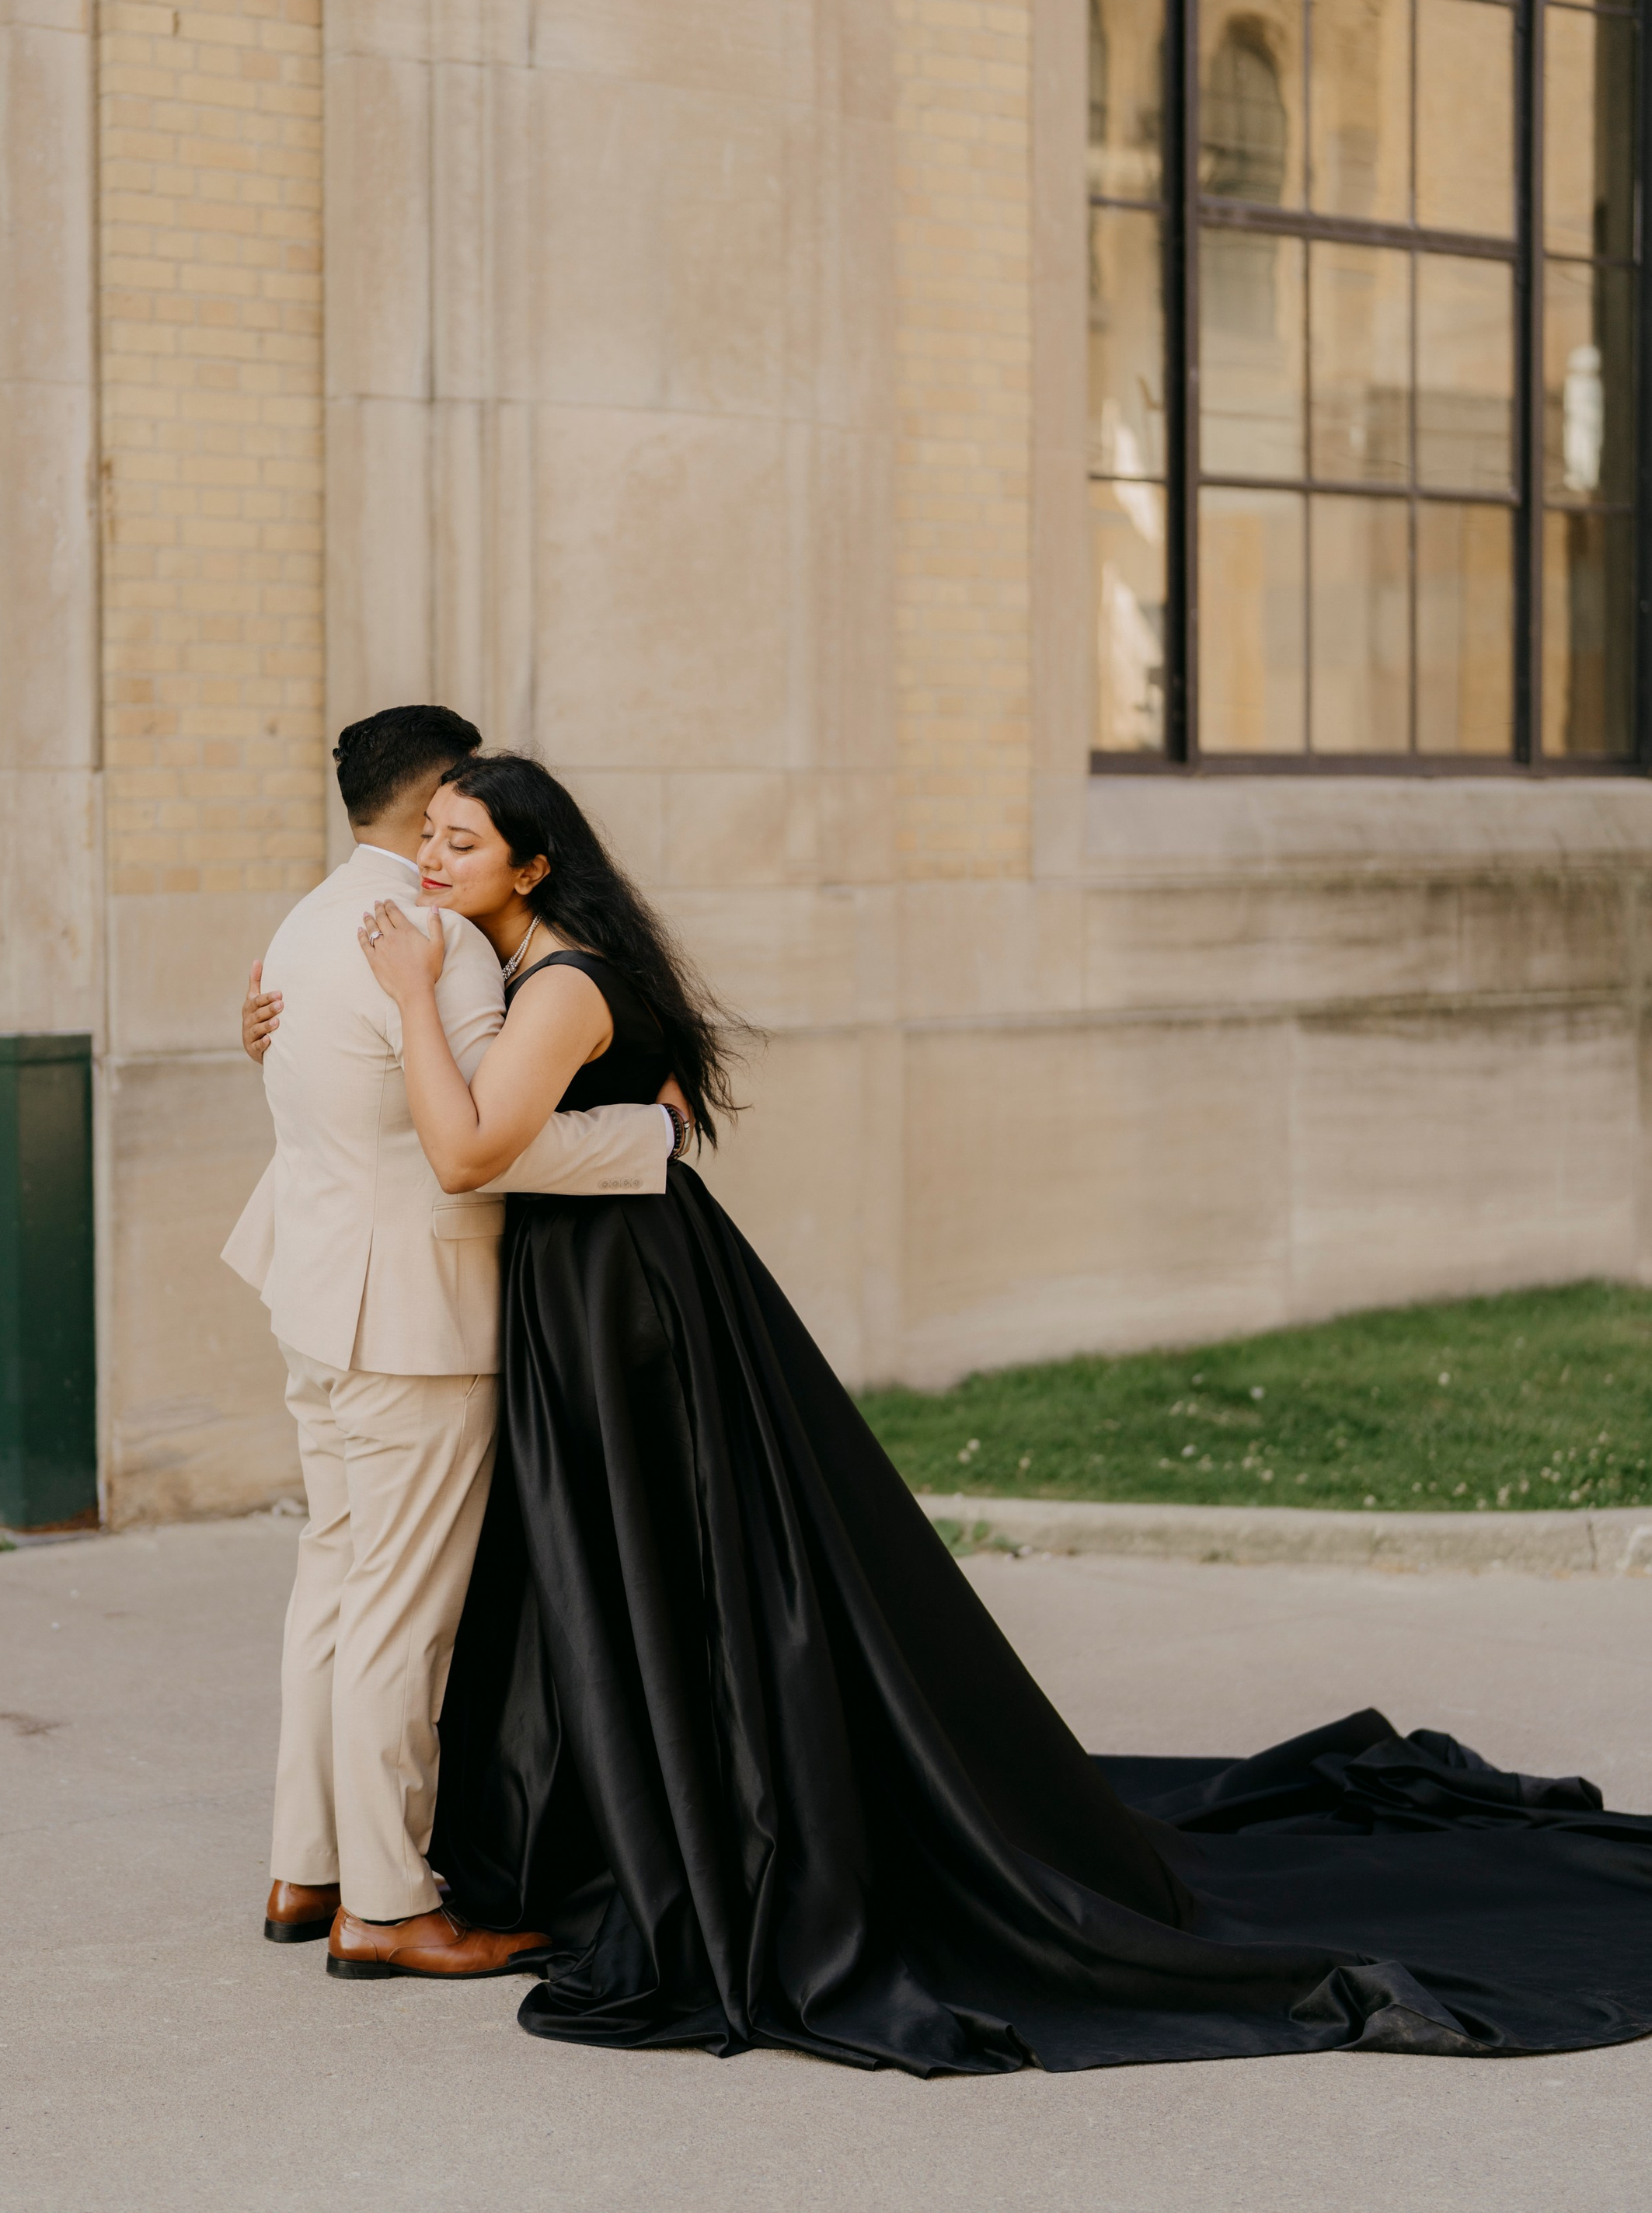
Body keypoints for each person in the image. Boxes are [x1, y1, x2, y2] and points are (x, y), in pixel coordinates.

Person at [245, 753, 1652, 2075]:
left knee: (626, 1570)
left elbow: (469, 1144)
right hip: (564, 1292)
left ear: (534, 868)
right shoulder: (464, 947)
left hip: (618, 1303)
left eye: (462, 837)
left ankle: (467, 1860)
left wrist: (488, 1039)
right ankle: (413, 1858)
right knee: (568, 1577)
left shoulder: (527, 977)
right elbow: (412, 1097)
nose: (432, 855)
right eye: (429, 831)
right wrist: (626, 1121)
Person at [221, 707, 688, 1983]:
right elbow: (486, 1141)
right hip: (410, 1318)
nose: (454, 828)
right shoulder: (443, 947)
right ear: (432, 796)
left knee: (332, 1581)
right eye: (454, 806)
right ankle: (385, 1903)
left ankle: (303, 1866)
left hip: (313, 1297)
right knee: (399, 1617)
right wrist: (648, 1137)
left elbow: (307, 1077)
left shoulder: (307, 920)